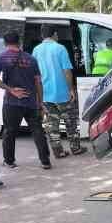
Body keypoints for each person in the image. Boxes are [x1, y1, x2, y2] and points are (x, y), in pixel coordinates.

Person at [0, 31, 52, 170]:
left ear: (5, 43)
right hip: (31, 102)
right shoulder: (31, 59)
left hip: (11, 102)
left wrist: (10, 89)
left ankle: (9, 161)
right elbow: (38, 82)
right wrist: (40, 102)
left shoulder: (0, 58)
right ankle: (45, 161)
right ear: (19, 42)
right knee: (37, 131)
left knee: (9, 132)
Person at [32, 24, 86, 158]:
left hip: (45, 94)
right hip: (62, 93)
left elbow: (34, 74)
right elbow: (67, 71)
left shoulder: (36, 50)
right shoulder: (60, 48)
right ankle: (75, 148)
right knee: (71, 122)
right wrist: (71, 89)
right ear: (55, 34)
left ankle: (58, 151)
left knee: (52, 125)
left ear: (42, 35)